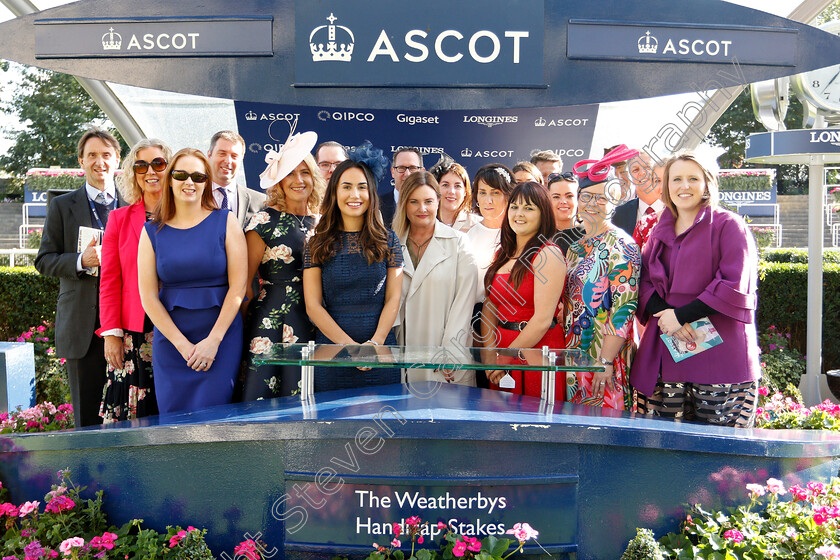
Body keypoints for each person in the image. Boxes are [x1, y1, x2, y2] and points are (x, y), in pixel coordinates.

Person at [631, 153, 761, 428]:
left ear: (707, 184)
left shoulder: (729, 226)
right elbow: (642, 280)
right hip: (665, 350)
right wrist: (667, 316)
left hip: (720, 356)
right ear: (666, 186)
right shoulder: (658, 229)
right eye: (676, 179)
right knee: (661, 450)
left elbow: (733, 283)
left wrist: (681, 317)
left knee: (718, 456)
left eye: (693, 178)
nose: (684, 186)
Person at [138, 148, 247, 414]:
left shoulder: (226, 221)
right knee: (174, 424)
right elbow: (148, 297)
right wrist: (182, 345)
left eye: (198, 176)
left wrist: (213, 341)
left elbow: (238, 288)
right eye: (181, 175)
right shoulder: (152, 231)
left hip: (221, 338)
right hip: (173, 342)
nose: (189, 182)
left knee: (213, 421)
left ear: (207, 183)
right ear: (170, 180)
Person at [35, 127, 124, 428]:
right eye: (92, 156)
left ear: (117, 160)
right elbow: (44, 260)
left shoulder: (132, 206)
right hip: (82, 328)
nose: (100, 162)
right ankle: (88, 476)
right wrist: (79, 261)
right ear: (81, 162)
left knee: (131, 412)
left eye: (106, 155)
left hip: (127, 325)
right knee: (87, 419)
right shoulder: (62, 206)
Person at [303, 144, 403, 391]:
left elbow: (393, 298)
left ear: (371, 194)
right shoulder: (316, 243)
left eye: (362, 187)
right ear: (334, 193)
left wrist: (374, 345)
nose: (354, 195)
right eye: (346, 187)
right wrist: (351, 349)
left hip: (380, 350)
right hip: (331, 351)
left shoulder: (389, 240)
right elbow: (313, 306)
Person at [241, 131, 323, 400]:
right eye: (290, 173)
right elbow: (246, 285)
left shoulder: (325, 223)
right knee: (262, 398)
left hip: (317, 323)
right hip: (270, 324)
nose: (299, 180)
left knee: (308, 398)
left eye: (305, 172)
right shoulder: (263, 221)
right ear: (279, 180)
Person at [97, 138, 172, 422]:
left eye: (158, 163)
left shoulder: (187, 216)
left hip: (179, 327)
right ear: (133, 173)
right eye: (141, 166)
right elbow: (110, 281)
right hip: (134, 334)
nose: (150, 172)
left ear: (171, 168)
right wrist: (112, 333)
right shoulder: (118, 219)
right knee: (131, 420)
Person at [563, 148, 641, 410]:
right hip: (573, 353)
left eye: (600, 198)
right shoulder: (575, 247)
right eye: (586, 197)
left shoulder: (622, 244)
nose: (591, 204)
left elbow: (624, 310)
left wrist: (605, 361)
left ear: (615, 201)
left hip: (603, 357)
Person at [480, 182, 566, 400]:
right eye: (514, 207)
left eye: (528, 208)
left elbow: (542, 320)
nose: (519, 214)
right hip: (502, 349)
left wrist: (505, 358)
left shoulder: (549, 254)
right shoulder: (503, 253)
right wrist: (490, 355)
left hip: (537, 352)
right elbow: (490, 306)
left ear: (543, 214)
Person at [393, 171, 478, 386]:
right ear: (404, 204)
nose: (422, 209)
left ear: (438, 201)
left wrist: (450, 352)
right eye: (414, 202)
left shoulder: (459, 242)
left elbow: (464, 301)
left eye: (428, 201)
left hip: (447, 357)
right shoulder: (391, 243)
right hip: (403, 354)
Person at [467, 164, 515, 302]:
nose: (488, 200)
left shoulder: (519, 235)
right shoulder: (467, 236)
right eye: (482, 192)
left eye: (495, 192)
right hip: (473, 317)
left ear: (508, 195)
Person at [207, 130, 266, 228]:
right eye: (222, 153)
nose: (228, 161)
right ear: (209, 155)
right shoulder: (194, 195)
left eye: (234, 156)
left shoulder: (261, 202)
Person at [611, 152, 665, 248]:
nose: (642, 173)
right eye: (635, 170)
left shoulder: (676, 208)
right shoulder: (618, 215)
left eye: (648, 167)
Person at [429, 155, 482, 234]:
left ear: (465, 192)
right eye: (445, 185)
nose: (451, 191)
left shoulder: (478, 225)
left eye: (457, 186)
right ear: (436, 189)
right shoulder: (423, 221)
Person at [383, 147, 424, 227]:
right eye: (401, 168)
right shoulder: (376, 205)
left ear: (422, 172)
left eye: (413, 168)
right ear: (393, 172)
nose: (407, 174)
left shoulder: (432, 207)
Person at [547, 172, 584, 253]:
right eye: (556, 197)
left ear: (579, 198)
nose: (563, 201)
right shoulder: (540, 235)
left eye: (569, 196)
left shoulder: (591, 234)